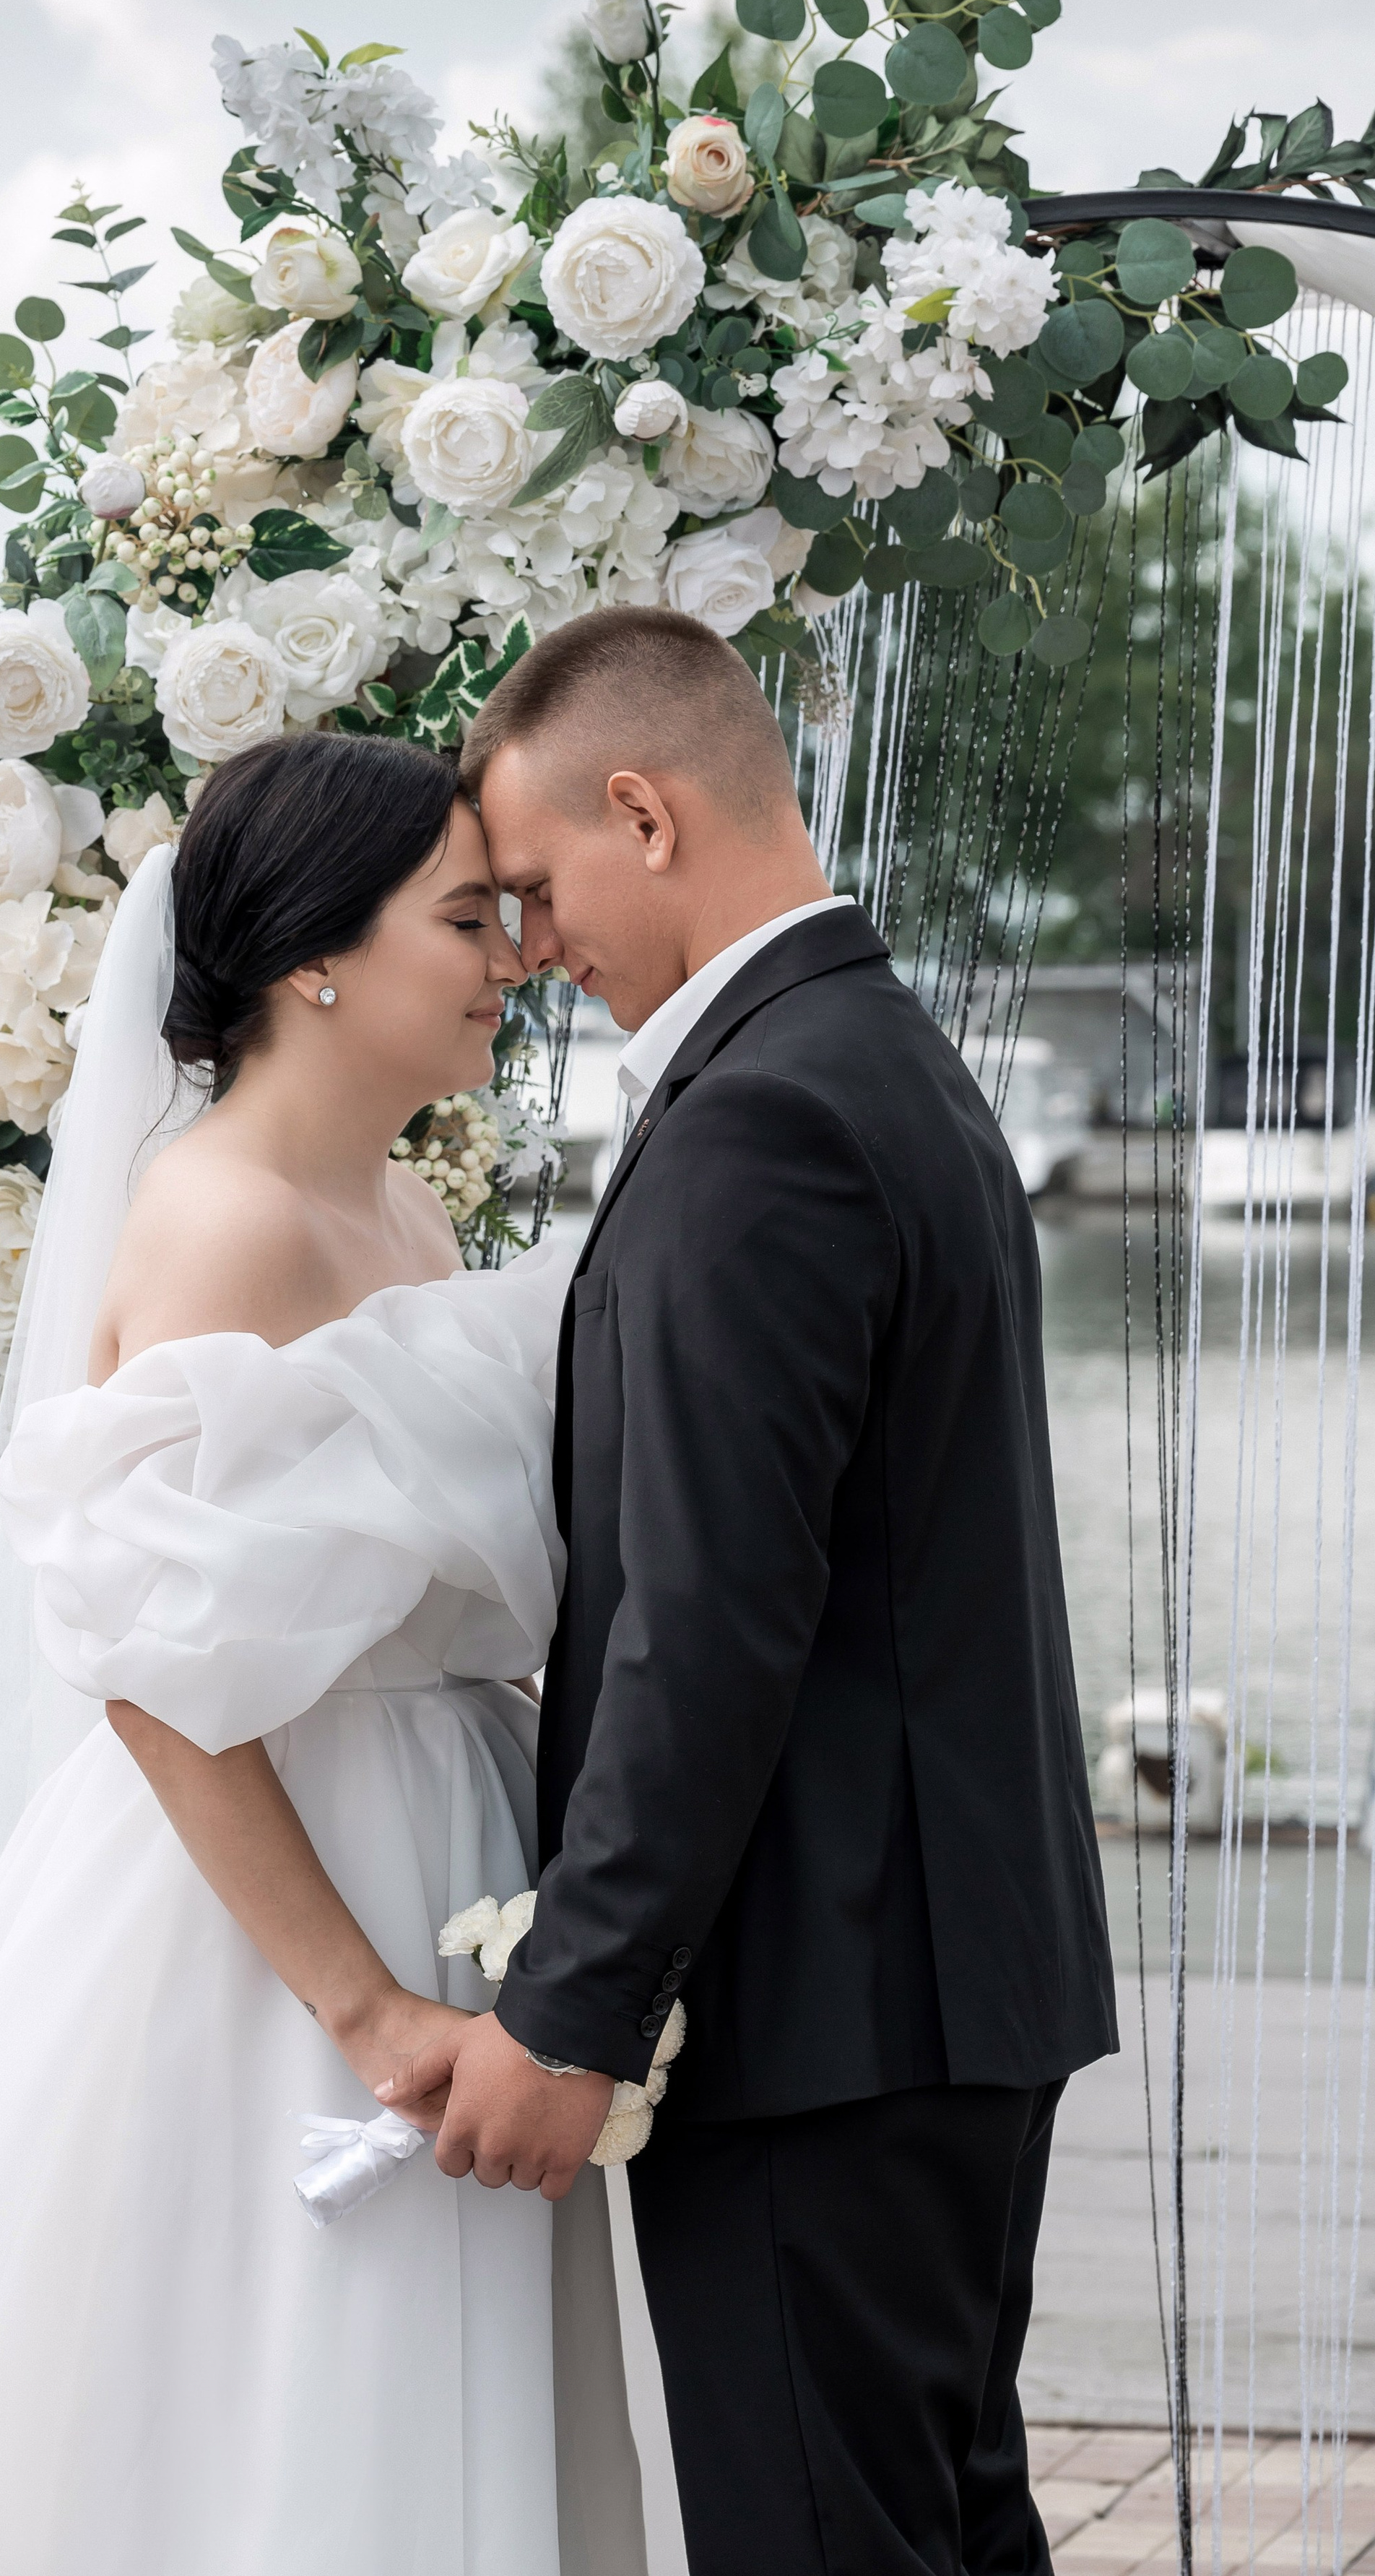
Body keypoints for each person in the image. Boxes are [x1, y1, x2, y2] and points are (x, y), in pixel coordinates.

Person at [0, 733, 646, 2576]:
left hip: (451, 1821)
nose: (509, 958)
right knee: (239, 2382)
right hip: (280, 1898)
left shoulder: (412, 1208)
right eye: (464, 917)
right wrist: (362, 2008)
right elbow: (141, 1661)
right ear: (312, 954)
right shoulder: (222, 1220)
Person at [384, 606, 1119, 2576]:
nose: (533, 949)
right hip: (947, 1981)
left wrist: (578, 2012)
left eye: (536, 888)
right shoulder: (887, 1059)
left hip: (831, 2008)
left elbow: (706, 1618)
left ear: (642, 809)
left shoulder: (764, 1121)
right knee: (940, 2526)